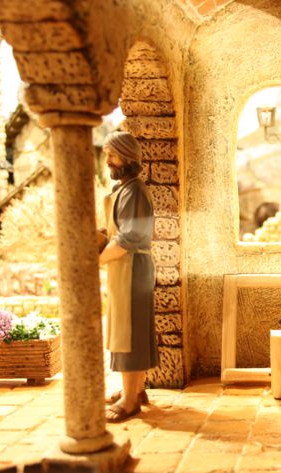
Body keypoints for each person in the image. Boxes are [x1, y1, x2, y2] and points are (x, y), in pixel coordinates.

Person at [98, 131, 159, 423]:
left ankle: (130, 400)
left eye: (112, 154)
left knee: (129, 334)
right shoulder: (125, 189)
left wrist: (96, 259)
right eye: (106, 155)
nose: (108, 160)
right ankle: (135, 389)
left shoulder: (134, 191)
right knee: (129, 330)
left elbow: (128, 237)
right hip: (126, 269)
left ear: (128, 156)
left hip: (132, 268)